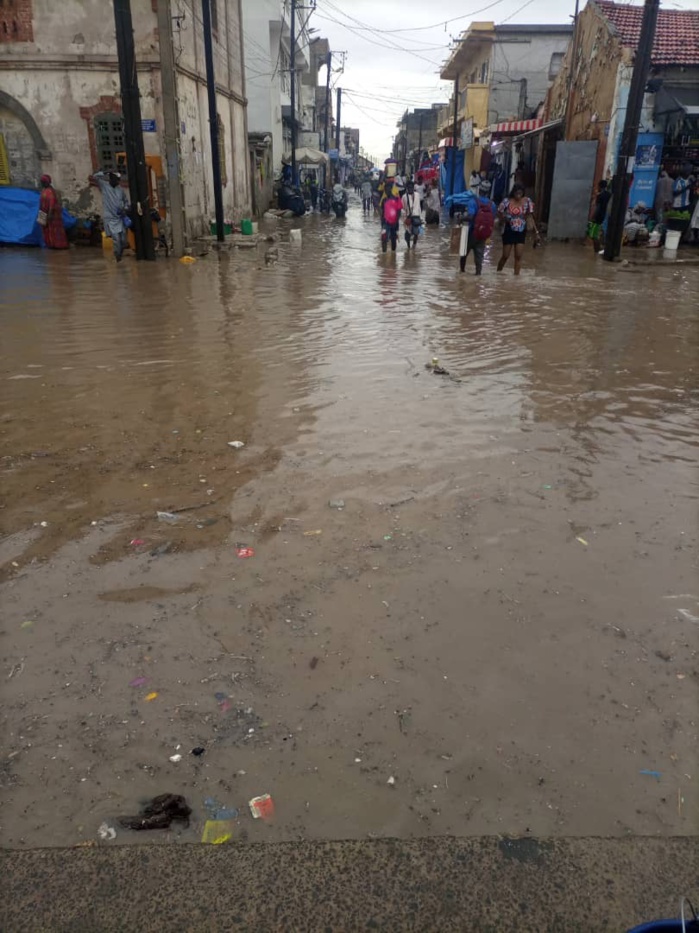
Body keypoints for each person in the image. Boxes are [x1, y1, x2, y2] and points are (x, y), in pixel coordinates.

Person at [496, 183, 539, 275]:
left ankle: (516, 277)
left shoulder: (527, 201)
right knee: (505, 256)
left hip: (521, 231)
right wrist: (503, 219)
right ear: (513, 193)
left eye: (520, 193)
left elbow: (530, 217)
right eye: (517, 193)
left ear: (523, 193)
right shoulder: (506, 201)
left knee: (518, 256)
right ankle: (498, 273)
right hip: (508, 230)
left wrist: (536, 232)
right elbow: (499, 212)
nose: (518, 196)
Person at [459, 180, 496, 275]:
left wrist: (461, 218)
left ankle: (462, 272)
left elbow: (470, 216)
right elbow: (493, 219)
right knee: (479, 257)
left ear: (479, 190)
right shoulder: (492, 205)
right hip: (483, 234)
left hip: (470, 232)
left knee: (463, 254)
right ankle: (478, 275)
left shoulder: (473, 201)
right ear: (488, 192)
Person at [92, 169, 130, 262]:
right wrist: (105, 172)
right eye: (116, 179)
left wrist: (125, 209)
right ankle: (118, 258)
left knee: (123, 240)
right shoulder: (104, 186)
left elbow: (126, 201)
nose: (117, 181)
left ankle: (119, 255)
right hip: (110, 218)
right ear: (111, 179)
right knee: (116, 239)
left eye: (118, 180)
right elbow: (95, 176)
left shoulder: (120, 190)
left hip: (119, 218)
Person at [38, 174, 68, 250]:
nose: (42, 183)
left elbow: (52, 204)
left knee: (53, 230)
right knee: (45, 230)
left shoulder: (50, 192)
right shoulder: (44, 191)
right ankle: (49, 244)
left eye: (43, 182)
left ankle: (57, 245)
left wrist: (50, 214)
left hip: (51, 213)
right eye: (41, 182)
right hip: (43, 212)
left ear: (47, 182)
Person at [587, 179, 611, 253]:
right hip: (604, 216)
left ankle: (597, 250)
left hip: (598, 217)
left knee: (593, 235)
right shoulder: (609, 194)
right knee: (596, 234)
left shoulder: (600, 196)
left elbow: (598, 207)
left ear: (600, 186)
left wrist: (592, 216)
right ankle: (598, 250)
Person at [401, 180, 422, 249]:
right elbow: (402, 208)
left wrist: (419, 216)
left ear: (413, 188)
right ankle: (408, 246)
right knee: (408, 234)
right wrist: (405, 216)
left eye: (411, 187)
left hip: (416, 216)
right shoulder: (404, 197)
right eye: (409, 187)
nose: (410, 189)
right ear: (407, 188)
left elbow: (419, 206)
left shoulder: (417, 195)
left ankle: (414, 246)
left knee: (416, 233)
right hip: (408, 217)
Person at [381, 185, 402, 252]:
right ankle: (384, 253)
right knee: (384, 238)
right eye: (385, 190)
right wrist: (382, 220)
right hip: (386, 222)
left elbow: (399, 211)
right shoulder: (384, 200)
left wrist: (396, 220)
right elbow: (383, 211)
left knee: (393, 239)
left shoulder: (396, 199)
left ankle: (393, 254)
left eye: (387, 189)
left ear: (390, 190)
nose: (386, 191)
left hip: (394, 222)